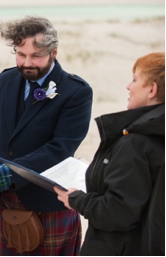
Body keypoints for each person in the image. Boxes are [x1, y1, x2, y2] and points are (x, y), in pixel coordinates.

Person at [0, 16, 93, 255]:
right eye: (21, 54)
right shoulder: (5, 80)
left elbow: (60, 149)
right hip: (9, 199)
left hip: (50, 201)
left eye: (36, 56)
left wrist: (5, 174)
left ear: (54, 52)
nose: (27, 62)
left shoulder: (76, 92)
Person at [54, 52, 164, 255]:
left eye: (135, 79)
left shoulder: (136, 143)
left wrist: (76, 200)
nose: (128, 87)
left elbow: (119, 212)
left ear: (152, 89)